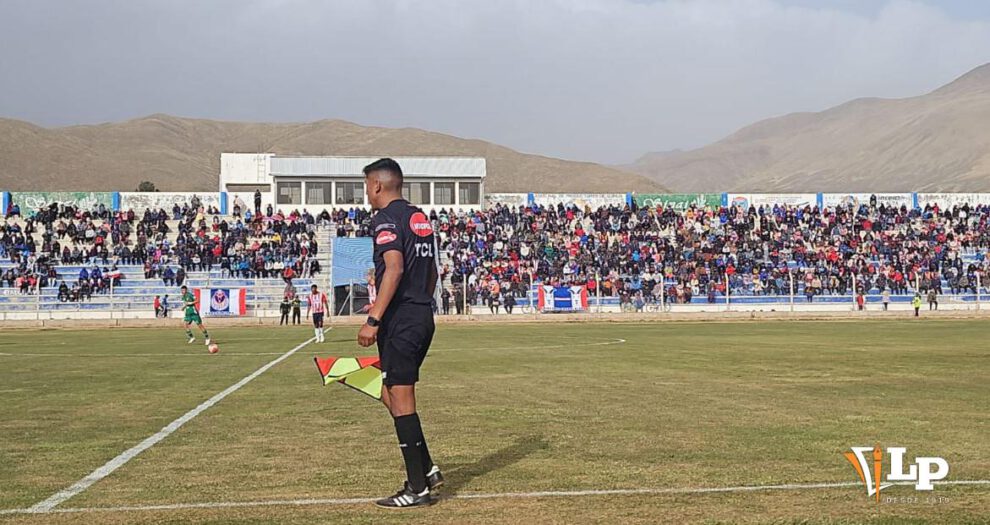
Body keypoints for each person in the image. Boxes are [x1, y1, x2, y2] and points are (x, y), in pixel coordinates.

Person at [357, 158, 442, 508]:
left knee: (400, 398)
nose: (365, 193)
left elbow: (394, 268)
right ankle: (427, 469)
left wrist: (374, 318)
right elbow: (433, 271)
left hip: (401, 320)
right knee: (389, 390)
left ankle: (417, 488)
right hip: (421, 313)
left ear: (376, 185)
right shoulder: (418, 216)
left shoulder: (385, 218)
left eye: (365, 186)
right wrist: (418, 300)